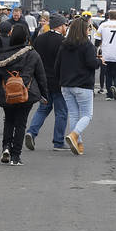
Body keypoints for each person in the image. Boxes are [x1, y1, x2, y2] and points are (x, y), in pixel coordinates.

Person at [0, 24, 48, 166]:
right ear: (26, 37)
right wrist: (45, 95)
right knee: (21, 124)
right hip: (26, 93)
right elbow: (41, 77)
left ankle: (6, 147)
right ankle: (15, 157)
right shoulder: (32, 54)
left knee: (8, 120)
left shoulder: (1, 55)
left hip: (7, 93)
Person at [56, 17, 100, 155]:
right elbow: (92, 63)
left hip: (66, 85)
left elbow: (57, 65)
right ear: (84, 30)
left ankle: (78, 143)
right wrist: (100, 61)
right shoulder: (88, 45)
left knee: (74, 114)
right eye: (88, 28)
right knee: (87, 115)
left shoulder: (64, 44)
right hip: (83, 84)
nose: (89, 31)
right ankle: (75, 135)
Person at [25, 14, 69, 151]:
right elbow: (64, 63)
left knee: (43, 109)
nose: (66, 27)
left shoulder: (40, 39)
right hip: (58, 81)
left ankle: (31, 132)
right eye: (65, 25)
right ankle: (58, 141)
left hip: (42, 81)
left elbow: (33, 58)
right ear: (60, 26)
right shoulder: (63, 42)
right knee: (61, 112)